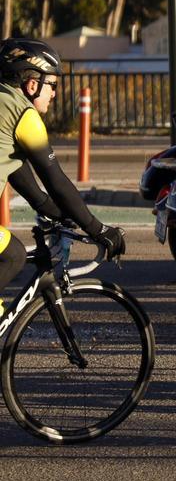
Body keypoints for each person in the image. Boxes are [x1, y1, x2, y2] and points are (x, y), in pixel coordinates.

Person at [0, 39, 125, 316]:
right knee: (14, 255)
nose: (54, 93)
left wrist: (54, 212)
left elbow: (22, 177)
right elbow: (55, 180)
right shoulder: (23, 114)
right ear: (32, 84)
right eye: (52, 85)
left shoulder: (3, 105)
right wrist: (98, 229)